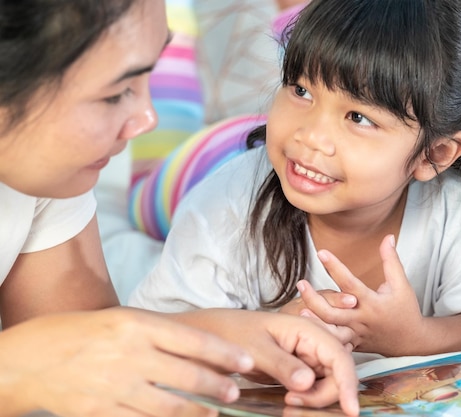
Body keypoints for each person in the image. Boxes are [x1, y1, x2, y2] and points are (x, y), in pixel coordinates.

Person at [130, 0, 461, 358]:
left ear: (434, 154)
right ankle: (175, 46)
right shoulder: (226, 201)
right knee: (149, 170)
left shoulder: (457, 210)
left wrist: (412, 337)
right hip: (204, 163)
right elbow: (149, 331)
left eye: (358, 117)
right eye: (300, 88)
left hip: (280, 156)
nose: (313, 136)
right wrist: (262, 331)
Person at [0, 1, 360, 416]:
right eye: (116, 93)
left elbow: (84, 341)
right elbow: (50, 359)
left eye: (149, 74)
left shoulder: (49, 172)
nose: (145, 118)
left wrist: (229, 336)